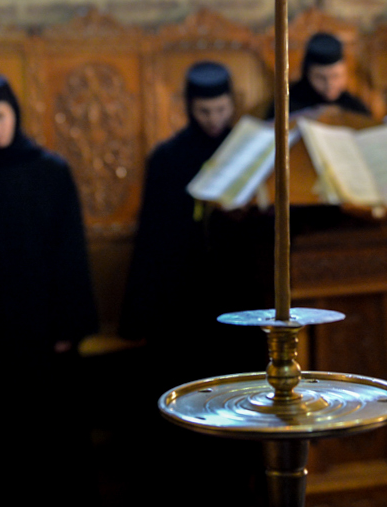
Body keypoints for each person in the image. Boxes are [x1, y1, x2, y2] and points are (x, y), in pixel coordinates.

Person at [0, 75, 99, 504]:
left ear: (15, 113)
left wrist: (69, 324)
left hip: (43, 329)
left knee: (50, 440)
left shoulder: (51, 170)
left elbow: (70, 253)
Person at [118, 61, 266, 507]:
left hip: (238, 295)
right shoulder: (167, 158)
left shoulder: (250, 151)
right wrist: (139, 313)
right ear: (189, 108)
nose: (213, 120)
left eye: (220, 109)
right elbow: (153, 237)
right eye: (204, 111)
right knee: (190, 401)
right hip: (184, 303)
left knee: (241, 396)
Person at [268, 31, 370, 117]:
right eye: (321, 78)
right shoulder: (286, 104)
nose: (329, 84)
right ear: (308, 75)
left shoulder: (353, 106)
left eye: (336, 76)